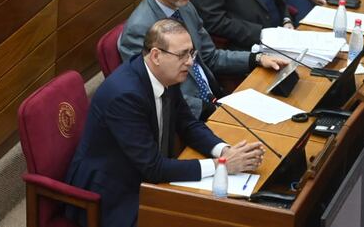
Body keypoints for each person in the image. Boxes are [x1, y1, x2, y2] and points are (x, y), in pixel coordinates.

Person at [66, 19, 265, 227]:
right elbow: (153, 168)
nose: (190, 62)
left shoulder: (166, 74)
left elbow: (188, 124)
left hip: (145, 173)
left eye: (191, 53)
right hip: (112, 193)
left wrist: (223, 151)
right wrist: (221, 166)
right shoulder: (124, 96)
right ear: (156, 55)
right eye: (182, 55)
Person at [118, 0, 287, 119]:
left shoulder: (185, 7)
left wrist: (256, 58)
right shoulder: (138, 30)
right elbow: (156, 93)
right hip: (190, 116)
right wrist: (210, 110)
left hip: (216, 97)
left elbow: (210, 57)